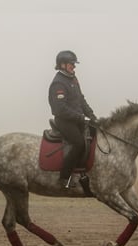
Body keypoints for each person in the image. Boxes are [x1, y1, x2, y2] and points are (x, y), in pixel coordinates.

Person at [48, 50, 97, 188]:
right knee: (79, 143)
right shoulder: (58, 83)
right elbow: (60, 109)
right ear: (62, 64)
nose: (74, 67)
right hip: (65, 121)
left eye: (74, 64)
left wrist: (92, 115)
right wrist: (80, 117)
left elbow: (81, 100)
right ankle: (64, 178)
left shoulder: (73, 79)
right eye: (71, 64)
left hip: (77, 120)